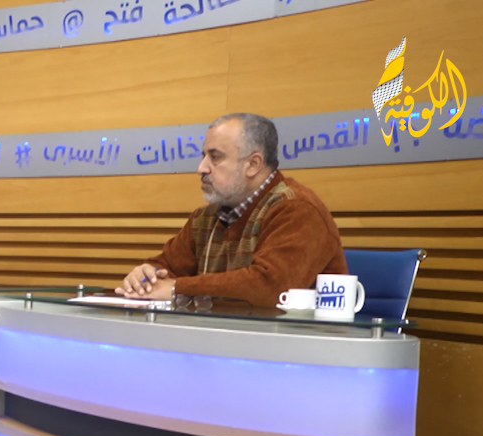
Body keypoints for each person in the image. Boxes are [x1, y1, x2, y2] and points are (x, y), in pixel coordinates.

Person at [116, 113, 346, 307]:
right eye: (203, 156)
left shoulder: (297, 209)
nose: (201, 168)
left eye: (215, 157)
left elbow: (270, 289)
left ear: (253, 165)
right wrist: (145, 275)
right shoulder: (204, 218)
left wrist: (177, 288)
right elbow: (165, 269)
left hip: (292, 344)